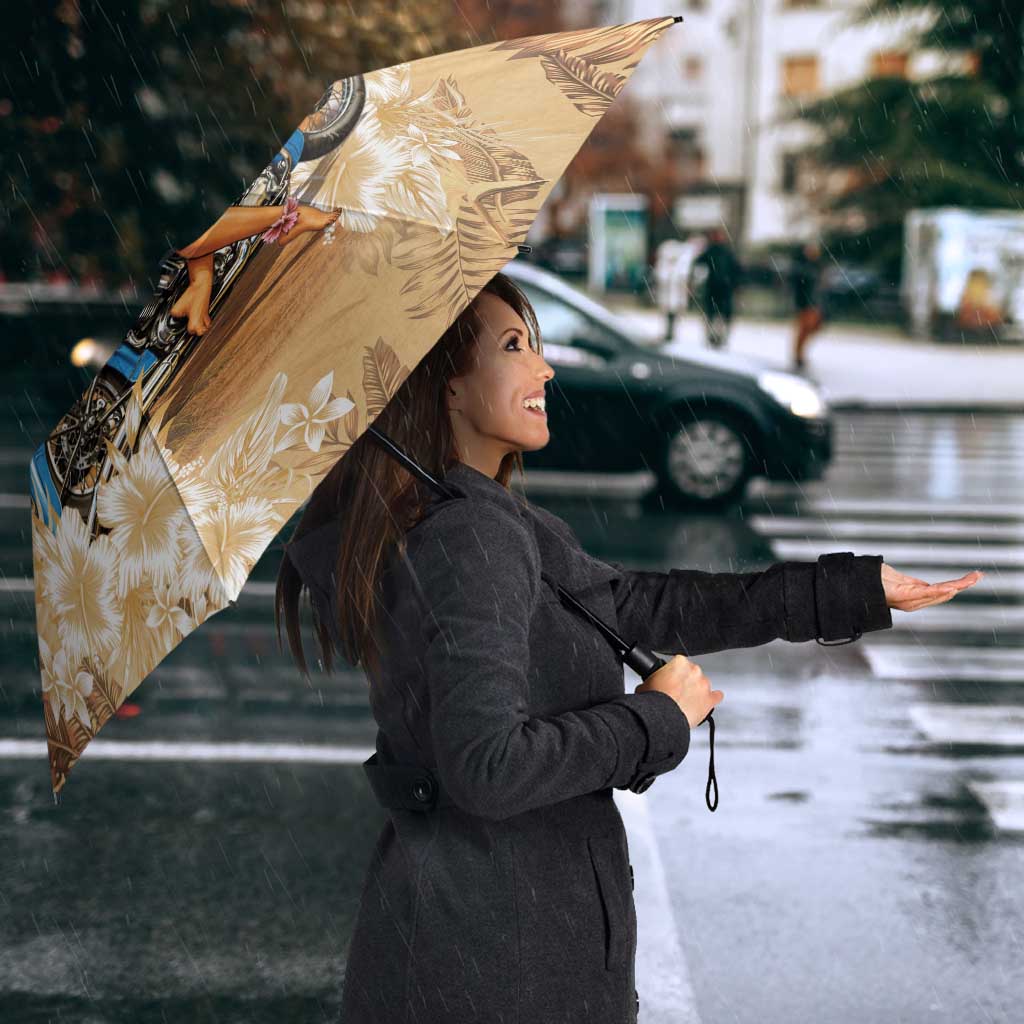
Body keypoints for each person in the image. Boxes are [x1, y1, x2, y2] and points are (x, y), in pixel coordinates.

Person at [277, 271, 978, 1024]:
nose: (544, 368)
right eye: (514, 346)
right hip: (499, 962)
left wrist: (850, 590)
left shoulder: (477, 518)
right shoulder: (470, 536)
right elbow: (487, 767)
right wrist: (655, 719)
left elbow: (641, 605)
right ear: (445, 385)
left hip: (480, 941)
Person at [692, 226, 742, 349]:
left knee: (720, 315)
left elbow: (736, 270)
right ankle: (713, 337)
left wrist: (735, 284)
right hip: (715, 288)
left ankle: (719, 337)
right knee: (713, 314)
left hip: (723, 288)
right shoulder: (712, 251)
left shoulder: (725, 252)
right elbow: (698, 264)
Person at [790, 239, 826, 371]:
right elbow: (799, 286)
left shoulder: (817, 266)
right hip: (805, 303)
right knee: (804, 329)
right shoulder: (802, 267)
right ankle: (798, 355)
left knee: (812, 328)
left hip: (814, 303)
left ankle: (800, 354)